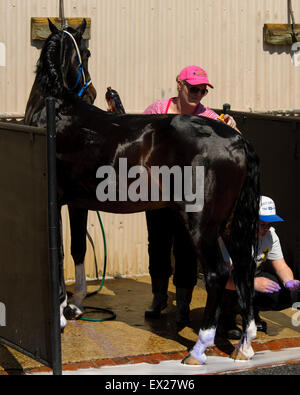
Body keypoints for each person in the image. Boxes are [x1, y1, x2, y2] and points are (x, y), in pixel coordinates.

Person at [143, 65, 239, 329]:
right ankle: (159, 298)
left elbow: (232, 146)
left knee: (186, 248)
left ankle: (183, 306)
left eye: (202, 90)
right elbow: (139, 141)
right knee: (158, 244)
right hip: (156, 191)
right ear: (179, 85)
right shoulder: (157, 110)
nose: (198, 94)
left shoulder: (207, 116)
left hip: (190, 191)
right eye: (193, 88)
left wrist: (232, 126)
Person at [219, 195, 300, 339]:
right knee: (230, 291)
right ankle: (225, 319)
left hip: (250, 276)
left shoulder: (270, 234)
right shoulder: (230, 238)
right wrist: (253, 283)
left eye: (269, 224)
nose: (266, 228)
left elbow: (281, 266)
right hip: (227, 282)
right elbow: (225, 279)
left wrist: (289, 281)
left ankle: (252, 313)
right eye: (262, 224)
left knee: (290, 294)